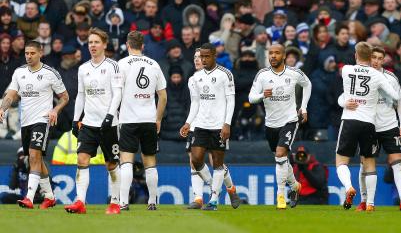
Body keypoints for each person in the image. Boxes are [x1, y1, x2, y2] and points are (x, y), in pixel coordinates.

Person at [341, 46, 401, 211]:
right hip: (370, 126)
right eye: (373, 57)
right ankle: (365, 201)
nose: (375, 61)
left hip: (389, 125)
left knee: (397, 161)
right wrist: (344, 103)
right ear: (368, 58)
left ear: (384, 60)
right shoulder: (361, 75)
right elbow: (344, 96)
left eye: (379, 58)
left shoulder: (391, 77)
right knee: (365, 164)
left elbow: (400, 102)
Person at [0, 40, 69, 209]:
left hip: (42, 120)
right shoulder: (19, 72)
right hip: (26, 122)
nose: (29, 56)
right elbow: (10, 95)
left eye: (32, 53)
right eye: (26, 53)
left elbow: (65, 97)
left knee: (33, 154)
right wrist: (2, 109)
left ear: (40, 53)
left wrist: (55, 110)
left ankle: (29, 197)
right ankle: (50, 197)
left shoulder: (50, 73)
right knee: (35, 159)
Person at [335, 42, 399, 211]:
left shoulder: (346, 70)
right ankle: (370, 203)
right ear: (370, 57)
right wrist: (389, 99)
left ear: (356, 55)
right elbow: (394, 95)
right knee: (369, 163)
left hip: (350, 119)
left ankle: (349, 187)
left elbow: (343, 95)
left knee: (342, 161)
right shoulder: (377, 75)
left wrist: (346, 101)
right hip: (369, 124)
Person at [64, 28, 122, 214]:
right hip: (88, 123)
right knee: (81, 159)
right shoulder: (83, 69)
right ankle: (80, 201)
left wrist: (110, 116)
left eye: (96, 42)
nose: (93, 46)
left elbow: (117, 94)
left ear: (104, 44)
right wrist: (75, 119)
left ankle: (115, 202)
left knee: (111, 164)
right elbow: (80, 96)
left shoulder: (113, 66)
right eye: (90, 42)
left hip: (109, 124)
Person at [248, 44, 312, 209]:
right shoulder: (262, 75)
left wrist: (303, 107)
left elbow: (307, 84)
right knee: (280, 159)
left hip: (289, 120)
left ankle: (281, 196)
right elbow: (251, 98)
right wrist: (262, 95)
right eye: (271, 53)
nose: (273, 56)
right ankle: (295, 186)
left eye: (277, 53)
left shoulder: (294, 73)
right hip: (271, 124)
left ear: (283, 56)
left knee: (280, 153)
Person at [180, 43, 240, 211]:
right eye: (201, 57)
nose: (203, 60)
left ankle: (213, 200)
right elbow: (196, 103)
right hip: (200, 125)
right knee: (196, 160)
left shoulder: (225, 74)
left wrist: (227, 123)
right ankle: (219, 188)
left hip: (218, 126)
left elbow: (231, 101)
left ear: (214, 55)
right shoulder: (196, 78)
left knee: (218, 164)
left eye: (206, 56)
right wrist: (188, 122)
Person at [117, 31, 167, 211]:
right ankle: (152, 201)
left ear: (128, 45)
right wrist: (158, 119)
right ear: (143, 46)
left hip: (128, 119)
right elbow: (163, 96)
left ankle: (123, 202)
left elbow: (116, 94)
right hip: (148, 120)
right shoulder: (154, 64)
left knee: (126, 160)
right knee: (150, 161)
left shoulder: (121, 64)